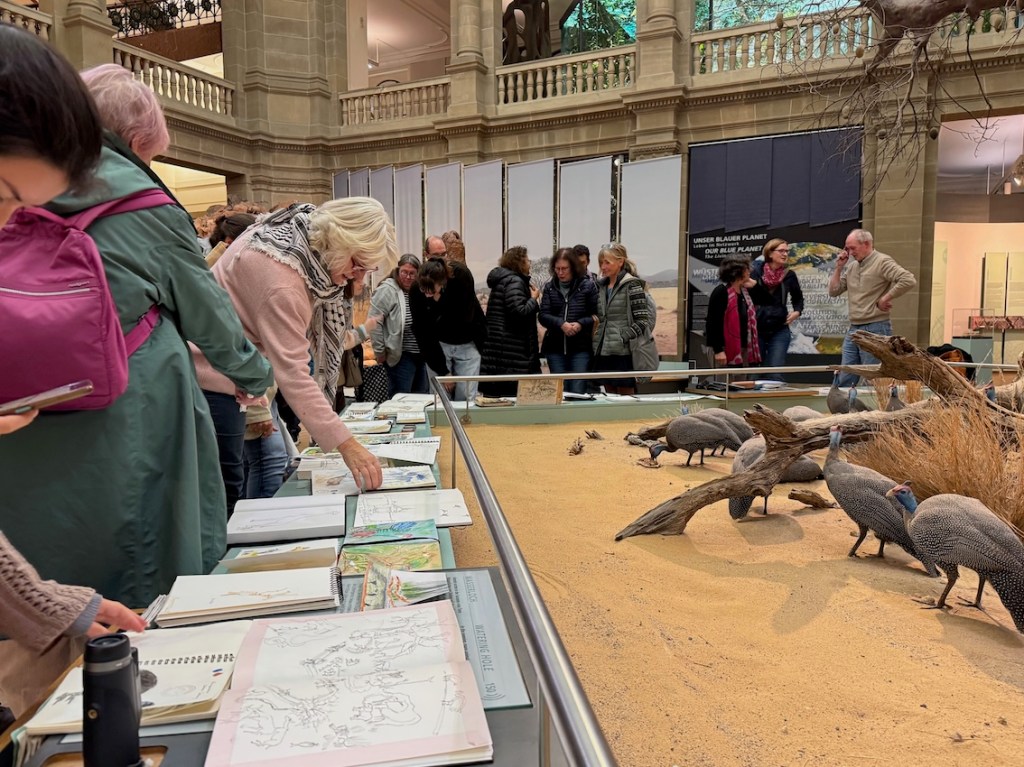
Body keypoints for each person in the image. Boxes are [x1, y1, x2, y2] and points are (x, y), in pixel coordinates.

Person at [0, 56, 274, 617]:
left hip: (22, 403)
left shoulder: (24, 183)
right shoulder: (142, 204)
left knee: (34, 549)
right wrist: (253, 374)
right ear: (134, 140)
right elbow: (208, 314)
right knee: (149, 549)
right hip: (131, 401)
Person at [193, 199, 397, 503]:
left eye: (368, 269)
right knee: (223, 491)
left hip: (229, 374)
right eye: (357, 264)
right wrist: (348, 446)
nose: (359, 277)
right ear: (339, 241)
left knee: (230, 481)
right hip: (212, 381)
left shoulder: (293, 234)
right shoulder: (284, 281)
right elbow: (294, 375)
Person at [828, 228, 916, 387]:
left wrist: (885, 298)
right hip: (854, 327)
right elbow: (834, 291)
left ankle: (873, 403)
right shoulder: (852, 267)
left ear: (867, 244)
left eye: (853, 248)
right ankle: (845, 402)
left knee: (872, 378)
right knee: (846, 374)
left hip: (876, 327)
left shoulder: (882, 261)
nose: (850, 253)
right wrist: (839, 267)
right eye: (848, 249)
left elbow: (908, 279)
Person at [410, 256, 488, 401]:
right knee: (439, 397)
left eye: (432, 291)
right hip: (437, 343)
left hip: (467, 338)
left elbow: (464, 318)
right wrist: (443, 372)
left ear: (442, 283)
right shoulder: (416, 291)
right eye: (423, 290)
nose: (427, 295)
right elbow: (423, 333)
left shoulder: (461, 277)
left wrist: (438, 302)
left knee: (466, 397)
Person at [478, 246, 541, 398]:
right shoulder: (515, 282)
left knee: (496, 399)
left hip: (499, 353)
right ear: (519, 263)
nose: (529, 263)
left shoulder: (502, 281)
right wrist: (534, 299)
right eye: (527, 260)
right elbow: (519, 312)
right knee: (512, 399)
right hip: (512, 354)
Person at [592, 243, 652, 395]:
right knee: (609, 396)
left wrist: (623, 337)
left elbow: (642, 321)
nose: (603, 267)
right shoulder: (600, 287)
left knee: (626, 398)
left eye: (607, 262)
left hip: (623, 354)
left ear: (620, 262)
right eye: (601, 263)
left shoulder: (632, 285)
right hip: (603, 351)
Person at [539, 247, 599, 394]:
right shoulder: (550, 288)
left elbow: (597, 315)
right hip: (555, 348)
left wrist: (580, 324)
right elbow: (543, 315)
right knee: (560, 391)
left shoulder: (587, 286)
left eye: (564, 269)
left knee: (578, 390)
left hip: (580, 348)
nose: (560, 273)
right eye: (557, 269)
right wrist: (561, 324)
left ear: (573, 267)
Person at [370, 254, 429, 394]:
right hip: (401, 357)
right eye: (404, 272)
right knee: (401, 398)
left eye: (412, 273)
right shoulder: (388, 290)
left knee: (421, 398)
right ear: (398, 270)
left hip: (421, 356)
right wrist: (379, 352)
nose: (408, 277)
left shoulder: (420, 291)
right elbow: (374, 322)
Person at [750, 238, 804, 382]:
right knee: (754, 374)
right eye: (781, 251)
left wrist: (797, 312)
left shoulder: (789, 275)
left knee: (775, 373)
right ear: (770, 253)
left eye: (787, 251)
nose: (785, 254)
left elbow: (798, 298)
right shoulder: (755, 272)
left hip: (780, 329)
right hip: (757, 329)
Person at [706, 253, 765, 372]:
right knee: (724, 383)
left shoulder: (745, 291)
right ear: (737, 271)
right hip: (725, 349)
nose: (750, 271)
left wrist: (755, 286)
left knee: (741, 382)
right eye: (747, 268)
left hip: (743, 348)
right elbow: (713, 323)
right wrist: (718, 350)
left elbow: (768, 301)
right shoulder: (721, 291)